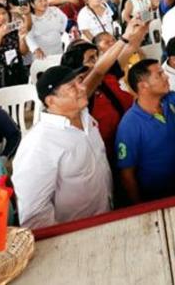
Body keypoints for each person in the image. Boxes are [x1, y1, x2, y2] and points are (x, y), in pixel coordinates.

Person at [12, 65, 113, 229]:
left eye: (79, 81)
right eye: (72, 87)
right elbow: (35, 214)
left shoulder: (86, 118)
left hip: (107, 216)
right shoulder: (39, 145)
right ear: (51, 101)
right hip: (78, 233)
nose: (83, 87)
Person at [115, 59, 175, 203]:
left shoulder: (170, 100)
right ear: (143, 86)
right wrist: (141, 209)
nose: (167, 77)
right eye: (160, 75)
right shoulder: (129, 125)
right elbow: (126, 174)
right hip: (155, 199)